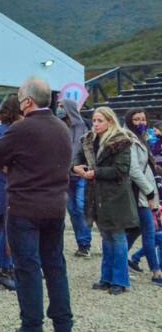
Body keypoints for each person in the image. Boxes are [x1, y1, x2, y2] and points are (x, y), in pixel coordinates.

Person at [0, 77, 75, 332]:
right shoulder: (62, 128)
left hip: (25, 205)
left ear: (28, 102)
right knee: (55, 265)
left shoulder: (22, 129)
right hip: (56, 205)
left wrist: (10, 167)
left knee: (27, 267)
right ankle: (63, 329)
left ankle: (31, 328)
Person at [73, 107, 138, 295]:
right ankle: (106, 278)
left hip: (115, 196)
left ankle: (120, 280)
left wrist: (96, 172)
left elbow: (121, 170)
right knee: (106, 238)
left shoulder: (121, 142)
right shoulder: (90, 140)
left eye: (100, 120)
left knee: (117, 237)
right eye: (94, 120)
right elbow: (78, 157)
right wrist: (76, 167)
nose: (95, 124)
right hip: (97, 194)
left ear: (110, 121)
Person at [0, 96, 23, 291]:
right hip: (5, 183)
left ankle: (7, 267)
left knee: (9, 227)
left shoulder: (4, 130)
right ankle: (3, 269)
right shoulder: (4, 132)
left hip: (6, 182)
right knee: (7, 228)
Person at [122, 108, 161, 284]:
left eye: (143, 119)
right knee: (149, 231)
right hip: (138, 191)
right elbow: (134, 170)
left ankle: (122, 259)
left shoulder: (142, 138)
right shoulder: (128, 139)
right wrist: (149, 191)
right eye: (137, 119)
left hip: (144, 189)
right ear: (130, 120)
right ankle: (156, 272)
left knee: (137, 230)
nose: (141, 122)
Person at [57, 98, 92, 257]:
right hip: (66, 174)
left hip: (80, 173)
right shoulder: (59, 126)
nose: (59, 109)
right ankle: (83, 243)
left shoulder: (82, 127)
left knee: (79, 207)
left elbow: (79, 150)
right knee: (72, 209)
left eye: (62, 107)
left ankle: (85, 242)